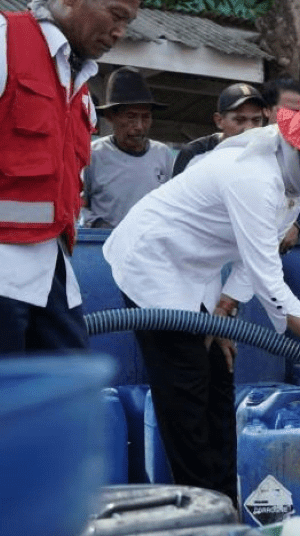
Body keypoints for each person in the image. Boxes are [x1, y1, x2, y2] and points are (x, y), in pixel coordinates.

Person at [103, 92, 300, 504]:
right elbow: (270, 284)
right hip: (152, 264)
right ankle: (202, 510)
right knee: (187, 396)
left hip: (198, 269)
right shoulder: (255, 178)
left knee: (219, 380)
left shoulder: (295, 178)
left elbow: (257, 255)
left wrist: (225, 309)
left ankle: (228, 497)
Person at [0, 0, 140, 354]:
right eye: (116, 14)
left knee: (67, 398)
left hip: (52, 269)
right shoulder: (5, 41)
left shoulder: (79, 87)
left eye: (128, 21)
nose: (120, 32)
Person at [83, 66, 171, 228]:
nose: (139, 126)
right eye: (130, 116)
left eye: (145, 117)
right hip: (104, 244)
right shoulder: (92, 155)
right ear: (111, 117)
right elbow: (76, 205)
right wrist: (98, 223)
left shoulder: (162, 154)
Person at [261, 77, 300, 254]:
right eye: (287, 111)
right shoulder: (249, 151)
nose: (294, 118)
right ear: (266, 110)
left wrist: (297, 224)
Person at [171, 82, 267, 176]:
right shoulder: (194, 153)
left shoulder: (269, 153)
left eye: (256, 120)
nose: (249, 127)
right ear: (219, 121)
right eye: (240, 120)